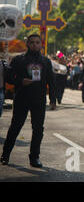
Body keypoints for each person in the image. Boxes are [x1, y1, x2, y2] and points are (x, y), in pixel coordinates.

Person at [1, 34, 55, 168]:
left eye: (37, 42)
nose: (35, 45)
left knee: (38, 130)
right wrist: (20, 81)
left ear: (41, 44)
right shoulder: (19, 60)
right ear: (27, 44)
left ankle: (34, 157)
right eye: (32, 42)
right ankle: (5, 155)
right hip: (22, 98)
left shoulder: (46, 62)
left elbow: (52, 81)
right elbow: (8, 78)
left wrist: (53, 99)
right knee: (15, 127)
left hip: (39, 100)